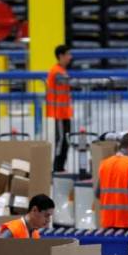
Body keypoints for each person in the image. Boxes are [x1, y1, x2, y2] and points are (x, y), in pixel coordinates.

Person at [47, 44, 74, 174]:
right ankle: (57, 168)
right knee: (61, 140)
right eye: (68, 54)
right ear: (61, 56)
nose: (70, 57)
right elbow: (67, 82)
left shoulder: (61, 71)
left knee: (66, 140)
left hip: (65, 113)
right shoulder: (56, 72)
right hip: (59, 113)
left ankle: (60, 167)